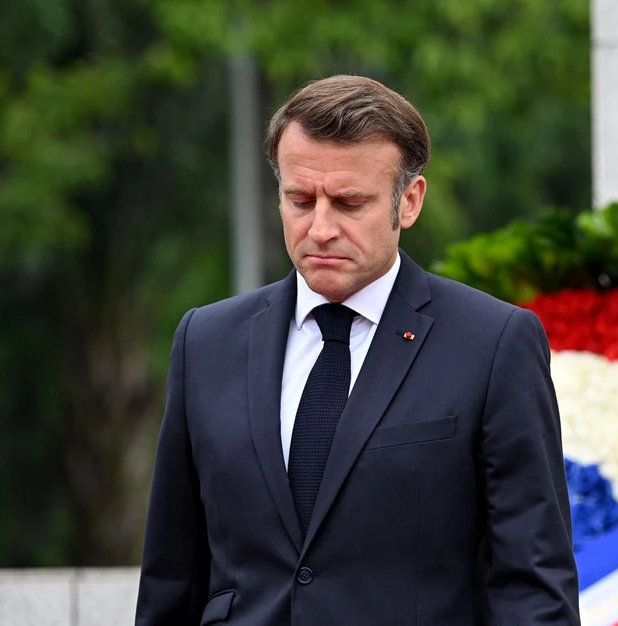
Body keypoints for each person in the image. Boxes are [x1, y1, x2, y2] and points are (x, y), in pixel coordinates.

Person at [134, 74, 580, 626]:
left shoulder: (493, 344)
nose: (320, 228)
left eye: (349, 203)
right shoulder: (205, 341)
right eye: (300, 200)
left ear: (409, 202)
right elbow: (172, 578)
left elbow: (534, 588)